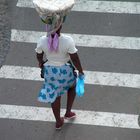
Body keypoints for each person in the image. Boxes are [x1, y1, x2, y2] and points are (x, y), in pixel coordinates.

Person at [35, 25, 84, 129]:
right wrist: (80, 71)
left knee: (55, 95)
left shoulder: (42, 40)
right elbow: (74, 58)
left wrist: (41, 63)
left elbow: (39, 55)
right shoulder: (68, 40)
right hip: (65, 71)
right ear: (60, 27)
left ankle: (58, 121)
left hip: (50, 72)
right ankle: (68, 112)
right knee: (72, 86)